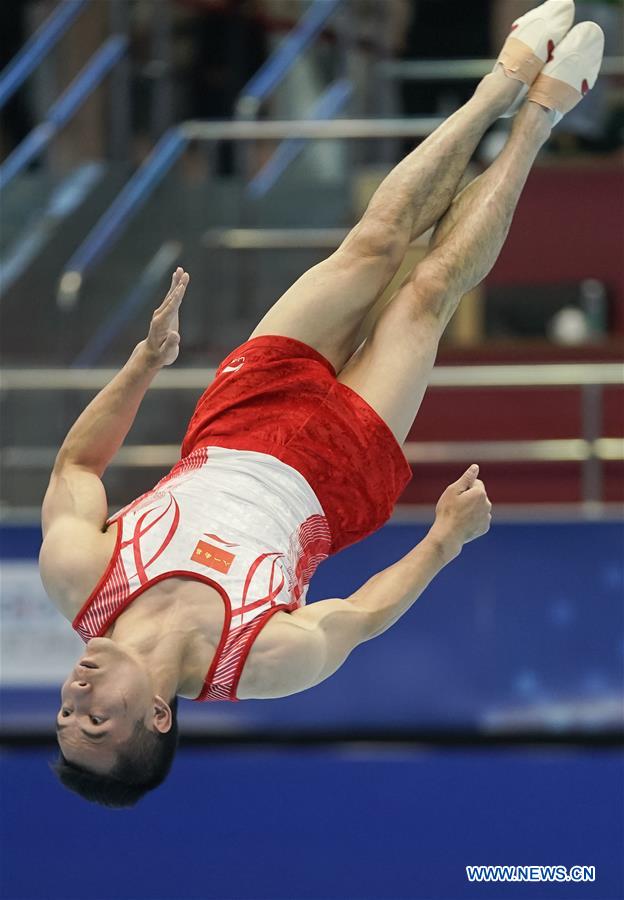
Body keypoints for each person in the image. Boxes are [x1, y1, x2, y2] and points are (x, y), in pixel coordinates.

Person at [38, 1, 604, 807]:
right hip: (335, 478)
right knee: (427, 292)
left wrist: (143, 365)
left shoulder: (79, 579)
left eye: (65, 713)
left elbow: (77, 465)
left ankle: (503, 83)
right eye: (95, 721)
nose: (77, 695)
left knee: (373, 243)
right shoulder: (261, 663)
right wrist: (442, 541)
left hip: (238, 417)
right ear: (158, 716)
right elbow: (361, 616)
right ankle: (542, 116)